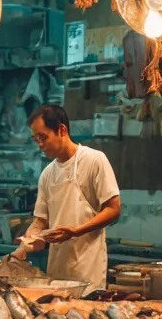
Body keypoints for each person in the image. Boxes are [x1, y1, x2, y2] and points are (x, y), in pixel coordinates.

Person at [12, 104, 121, 293]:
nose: (40, 144)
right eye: (36, 139)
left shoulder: (94, 160)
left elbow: (113, 209)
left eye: (43, 137)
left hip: (87, 273)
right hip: (56, 275)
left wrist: (76, 231)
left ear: (62, 130)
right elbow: (40, 222)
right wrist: (21, 249)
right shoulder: (47, 174)